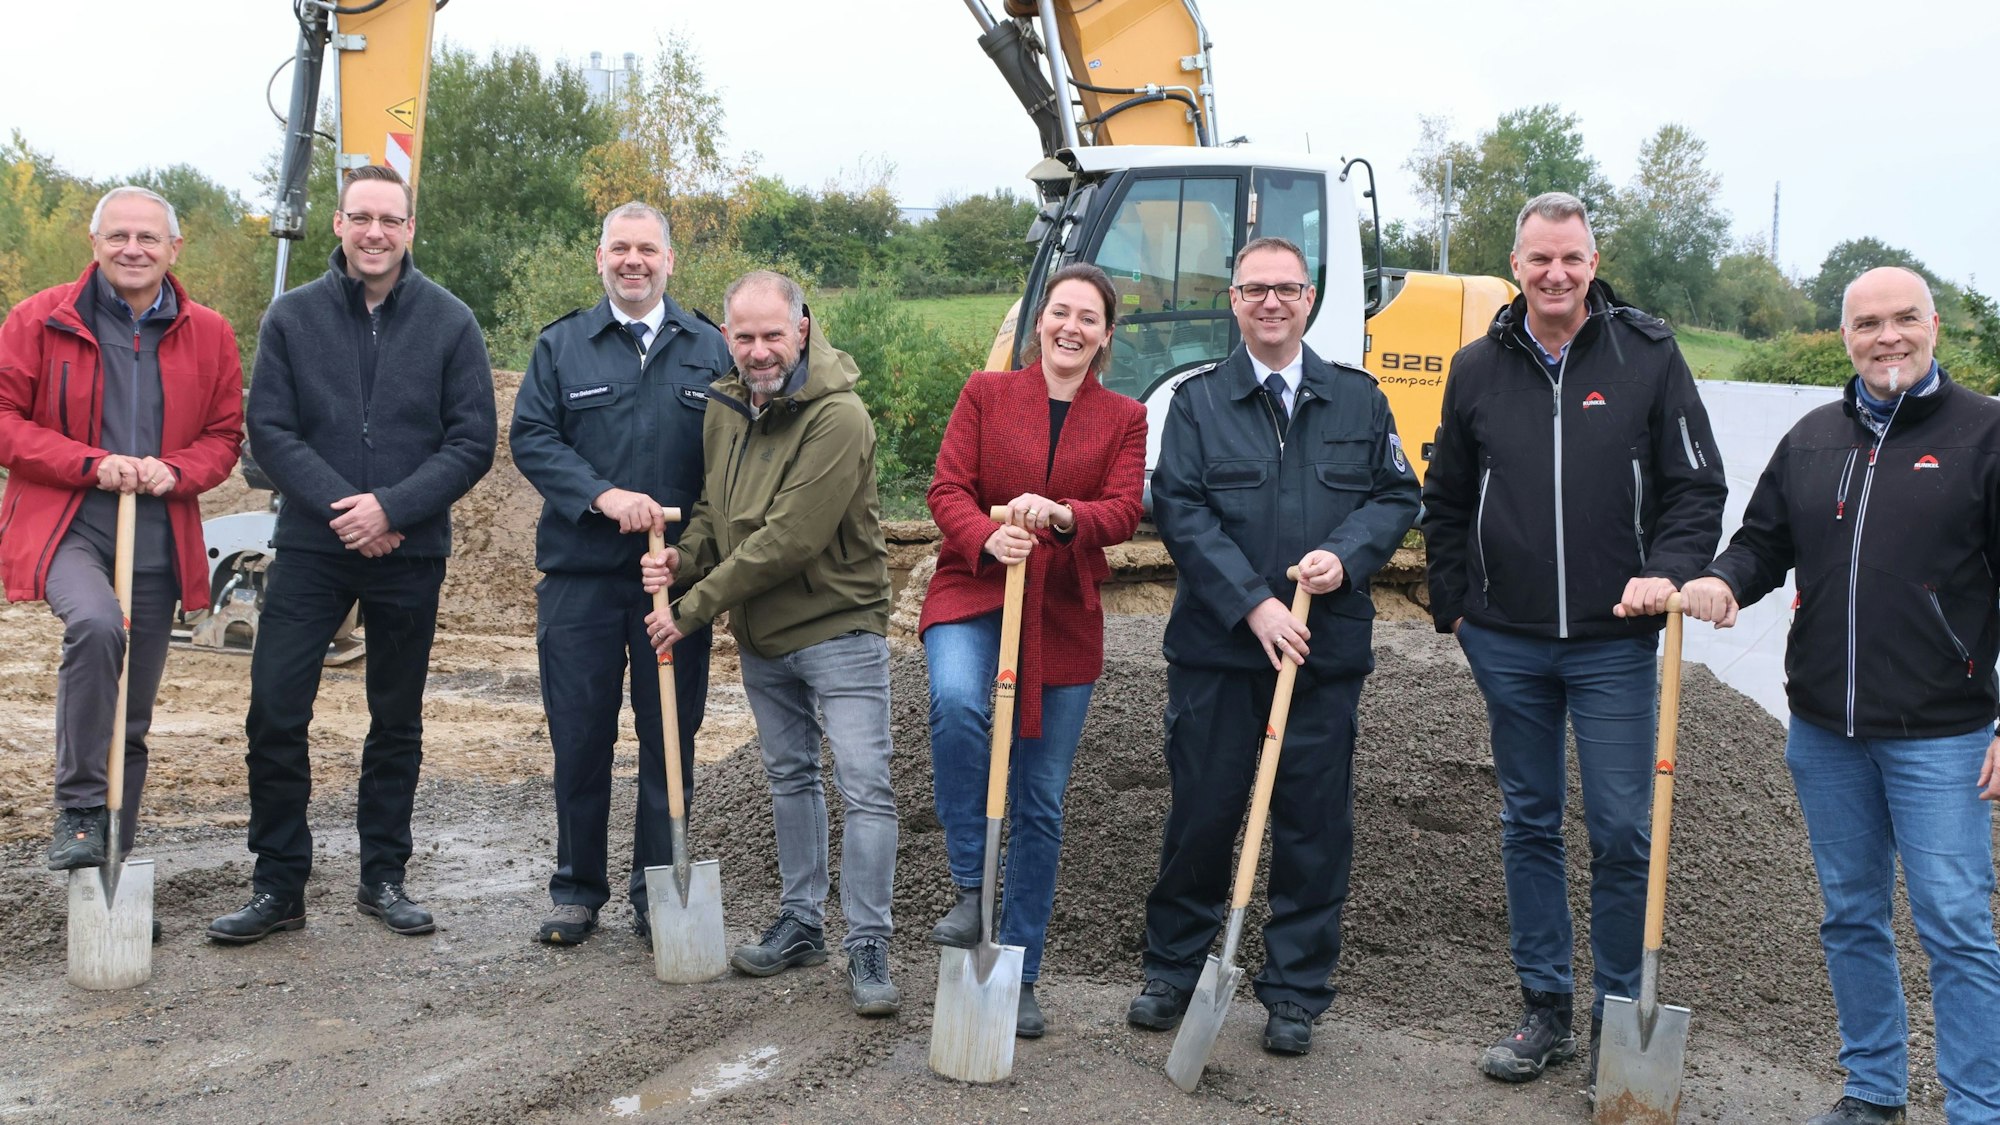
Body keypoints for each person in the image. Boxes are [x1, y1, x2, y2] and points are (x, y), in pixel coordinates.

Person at [1420, 191, 1727, 1087]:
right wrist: (1457, 610)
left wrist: (1667, 571)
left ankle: (1617, 1014)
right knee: (1529, 820)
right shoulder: (1476, 367)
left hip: (1614, 642)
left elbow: (1695, 488)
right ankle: (1545, 1007)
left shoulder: (1648, 355)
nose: (1556, 274)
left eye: (1572, 258)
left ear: (1593, 262)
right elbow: (1444, 498)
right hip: (1507, 641)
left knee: (1625, 828)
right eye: (1539, 258)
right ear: (1515, 266)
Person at [1681, 266, 2000, 1125]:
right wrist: (1720, 581)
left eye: (1903, 319)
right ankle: (1873, 1088)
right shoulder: (1815, 437)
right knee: (1851, 914)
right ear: (1846, 335)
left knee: (1956, 924)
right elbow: (1759, 544)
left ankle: (1979, 1105)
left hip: (1945, 735)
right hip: (1825, 731)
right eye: (1868, 323)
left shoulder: (1986, 435)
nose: (1886, 336)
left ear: (1934, 324)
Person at [1126, 236, 1419, 1056]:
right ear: (1233, 300)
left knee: (1311, 823)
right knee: (1203, 811)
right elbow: (1180, 511)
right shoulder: (1197, 402)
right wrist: (1254, 604)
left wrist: (1346, 554)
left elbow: (1399, 494)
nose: (1271, 304)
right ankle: (1174, 968)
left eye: (1286, 290)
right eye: (1255, 290)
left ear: (1310, 298)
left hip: (1321, 658)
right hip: (1220, 651)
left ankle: (1294, 991)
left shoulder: (1358, 401)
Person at [211, 164, 496, 944]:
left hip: (410, 549)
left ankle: (383, 875)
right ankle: (279, 885)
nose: (375, 231)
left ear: (410, 229)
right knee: (274, 706)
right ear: (338, 224)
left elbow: (473, 438)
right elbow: (269, 429)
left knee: (395, 717)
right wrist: (350, 510)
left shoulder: (450, 322)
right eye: (361, 216)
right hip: (314, 544)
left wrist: (394, 508)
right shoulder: (292, 318)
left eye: (390, 219)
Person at [641, 270, 899, 1017]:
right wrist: (680, 559)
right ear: (727, 337)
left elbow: (789, 538)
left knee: (865, 786)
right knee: (790, 777)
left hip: (838, 628)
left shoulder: (839, 418)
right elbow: (718, 519)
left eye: (772, 335)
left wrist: (690, 609)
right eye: (745, 336)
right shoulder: (724, 409)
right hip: (762, 634)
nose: (759, 351)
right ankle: (802, 922)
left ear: (804, 330)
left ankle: (869, 941)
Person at [0, 187, 244, 916]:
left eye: (147, 237)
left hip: (156, 530)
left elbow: (225, 437)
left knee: (130, 718)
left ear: (174, 249)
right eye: (118, 235)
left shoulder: (210, 333)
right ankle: (77, 810)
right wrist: (87, 461)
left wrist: (177, 469)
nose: (132, 248)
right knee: (97, 625)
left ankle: (110, 876)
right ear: (95, 241)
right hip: (69, 520)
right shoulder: (39, 319)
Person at [920, 262, 1146, 1037]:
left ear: (1105, 336)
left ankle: (1019, 968)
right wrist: (990, 534)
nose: (1071, 327)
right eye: (1060, 312)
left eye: (1088, 317)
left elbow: (1123, 512)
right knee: (955, 702)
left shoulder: (1124, 416)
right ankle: (967, 886)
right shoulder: (986, 394)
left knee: (1041, 800)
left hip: (1060, 613)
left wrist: (1060, 515)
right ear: (1038, 321)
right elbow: (946, 488)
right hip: (976, 586)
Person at [509, 202, 729, 946]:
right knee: (581, 738)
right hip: (581, 581)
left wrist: (695, 549)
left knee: (671, 735)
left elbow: (733, 464)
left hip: (675, 582)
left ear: (670, 260)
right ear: (598, 259)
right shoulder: (562, 347)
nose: (633, 261)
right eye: (619, 249)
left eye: (647, 250)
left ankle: (657, 889)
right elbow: (532, 437)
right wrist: (603, 497)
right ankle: (577, 889)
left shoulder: (711, 347)